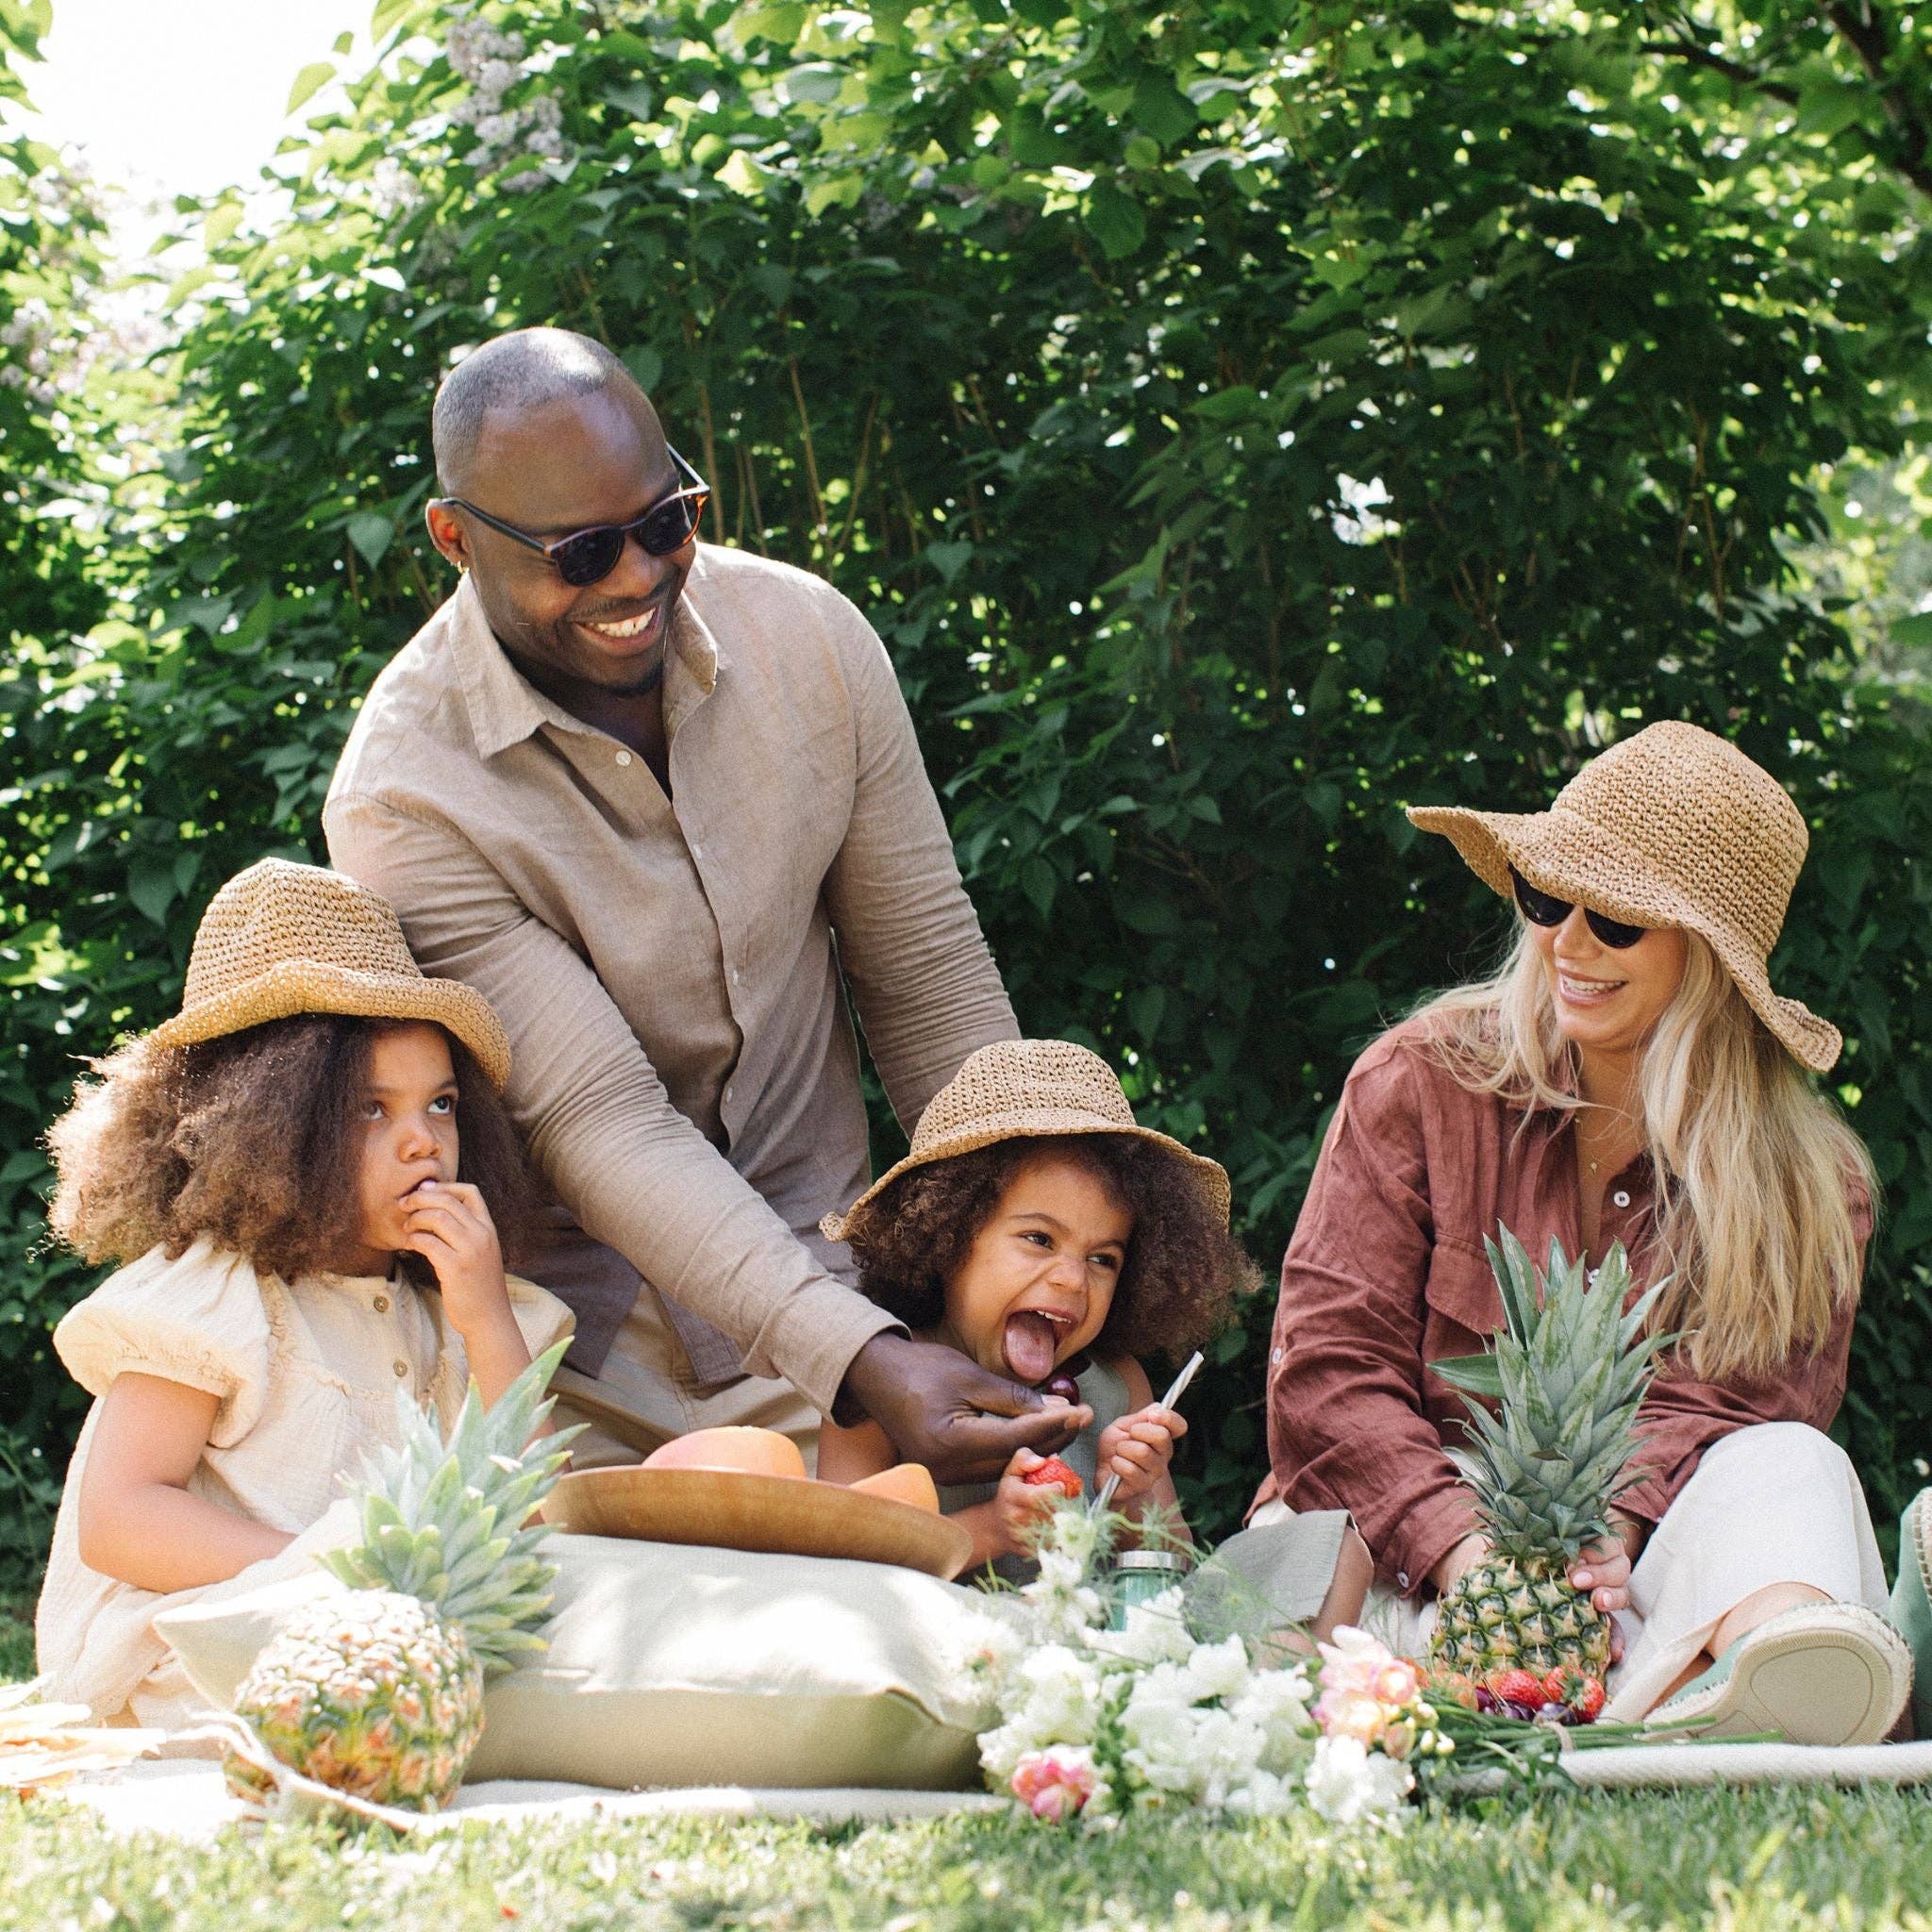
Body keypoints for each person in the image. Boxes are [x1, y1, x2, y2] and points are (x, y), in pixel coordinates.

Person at [324, 326, 1074, 1485]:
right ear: (455, 539)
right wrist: (862, 1358)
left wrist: (1031, 1269)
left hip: (841, 1270)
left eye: (666, 519)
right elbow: (596, 1115)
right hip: (571, 1350)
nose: (635, 575)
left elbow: (926, 979)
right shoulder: (404, 795)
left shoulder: (811, 640)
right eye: (577, 551)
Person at [1254, 720, 1911, 1743]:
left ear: (1708, 961)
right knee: (1303, 1535)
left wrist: (1608, 1529)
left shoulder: (1806, 1183)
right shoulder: (1419, 1081)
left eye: (1612, 918)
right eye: (1545, 896)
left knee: (1787, 1462)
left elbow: (1737, 1403)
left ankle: (1773, 1664)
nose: (1564, 941)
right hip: (1415, 1548)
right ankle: (1674, 1714)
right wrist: (1472, 1558)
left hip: (1640, 1569)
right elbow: (1326, 1371)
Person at [34, 860, 573, 1724]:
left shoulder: (459, 1308)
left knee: (573, 1617)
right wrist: (335, 1580)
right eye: (371, 1111)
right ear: (271, 1128)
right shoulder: (218, 1300)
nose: (420, 1143)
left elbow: (544, 1514)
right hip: (209, 1635)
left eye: (440, 1105)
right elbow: (120, 1518)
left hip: (394, 1639)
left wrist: (486, 1320)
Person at [819, 1040, 1371, 1636]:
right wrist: (995, 1529)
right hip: (956, 1647)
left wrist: (1129, 1493)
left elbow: (1175, 1566)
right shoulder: (880, 1380)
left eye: (1103, 1258)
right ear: (946, 1238)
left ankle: (1266, 1706)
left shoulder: (1113, 1382)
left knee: (1330, 1547)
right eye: (1038, 1239)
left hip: (1108, 1651)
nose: (1071, 1279)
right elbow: (840, 1564)